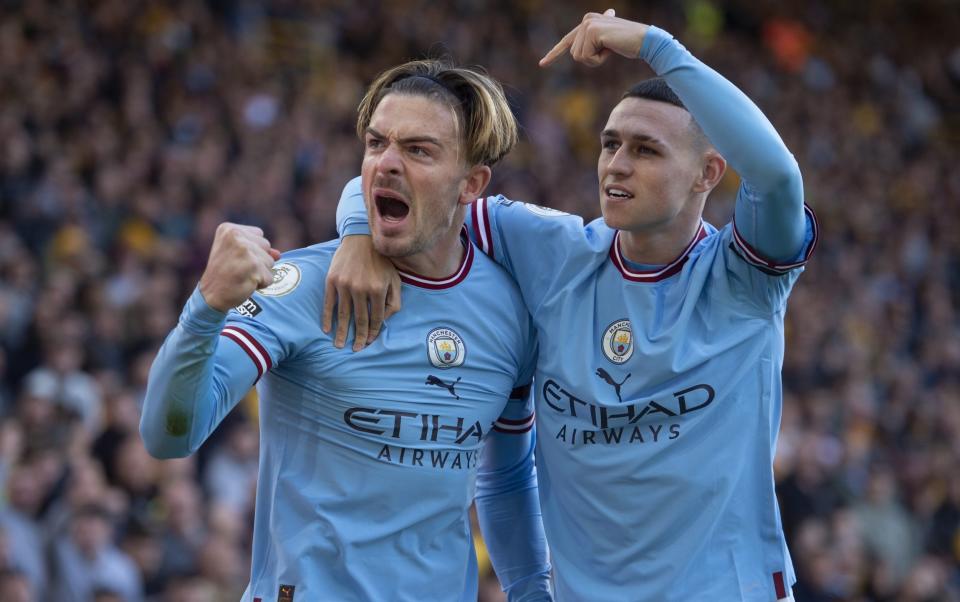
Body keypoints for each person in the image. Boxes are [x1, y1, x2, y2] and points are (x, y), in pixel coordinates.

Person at [328, 10, 818, 601]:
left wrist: (656, 47)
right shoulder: (552, 251)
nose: (616, 164)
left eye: (646, 150)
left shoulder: (743, 280)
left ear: (707, 174)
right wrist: (358, 233)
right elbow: (415, 186)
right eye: (610, 143)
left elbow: (778, 177)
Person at [140, 59, 551, 601]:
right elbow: (169, 436)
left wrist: (531, 589)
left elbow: (508, 476)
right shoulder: (307, 283)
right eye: (376, 143)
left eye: (419, 150)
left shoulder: (509, 310)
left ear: (471, 183)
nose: (386, 164)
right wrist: (205, 308)